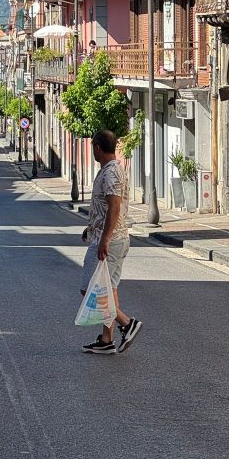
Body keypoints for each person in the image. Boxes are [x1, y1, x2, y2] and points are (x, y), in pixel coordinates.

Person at [80, 130, 142, 355]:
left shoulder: (111, 172)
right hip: (110, 237)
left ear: (97, 147)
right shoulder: (111, 169)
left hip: (110, 241)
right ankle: (107, 340)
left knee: (90, 289)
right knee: (108, 289)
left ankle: (127, 323)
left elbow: (114, 207)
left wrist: (104, 239)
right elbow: (106, 208)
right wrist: (93, 226)